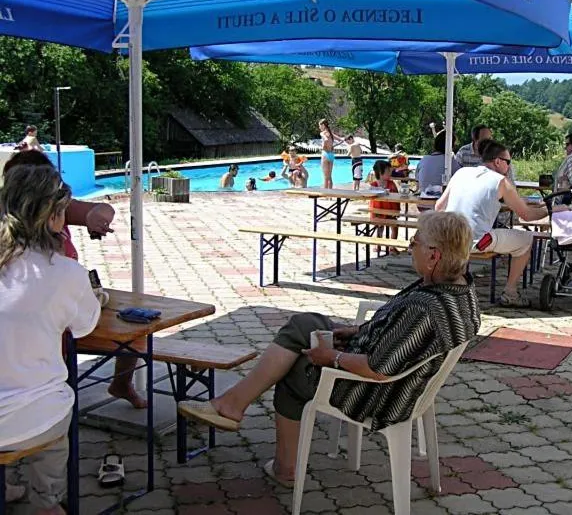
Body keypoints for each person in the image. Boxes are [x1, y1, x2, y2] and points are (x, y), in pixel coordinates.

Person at [177, 211, 481, 487]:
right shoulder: (458, 289)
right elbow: (399, 338)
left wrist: (331, 357)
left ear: (433, 256)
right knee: (303, 325)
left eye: (414, 242)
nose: (408, 247)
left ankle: (282, 465)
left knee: (294, 372)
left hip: (375, 395)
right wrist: (358, 332)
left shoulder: (426, 308)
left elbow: (378, 369)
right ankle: (232, 404)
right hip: (401, 380)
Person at [2, 151, 145, 409]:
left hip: (56, 320)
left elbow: (98, 209)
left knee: (133, 335)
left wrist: (94, 217)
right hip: (37, 399)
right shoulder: (60, 270)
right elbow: (82, 324)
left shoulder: (55, 223)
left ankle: (121, 384)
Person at [0, 165, 101, 515]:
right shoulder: (66, 272)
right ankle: (46, 502)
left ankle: (9, 488)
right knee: (54, 407)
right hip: (34, 419)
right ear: (56, 216)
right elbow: (85, 326)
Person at [435, 140, 552, 307]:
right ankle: (510, 292)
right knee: (526, 239)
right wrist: (550, 210)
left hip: (448, 237)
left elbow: (439, 206)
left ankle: (450, 286)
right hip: (476, 241)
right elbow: (526, 215)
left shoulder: (461, 173)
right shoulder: (501, 182)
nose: (509, 167)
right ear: (497, 161)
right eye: (508, 162)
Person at [415, 130, 460, 198]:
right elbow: (460, 182)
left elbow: (418, 185)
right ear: (451, 146)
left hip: (422, 204)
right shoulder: (450, 161)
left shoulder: (423, 160)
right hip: (443, 205)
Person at [370, 160, 400, 252]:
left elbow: (397, 197)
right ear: (380, 173)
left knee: (395, 227)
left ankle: (392, 245)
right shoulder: (374, 185)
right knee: (379, 228)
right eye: (388, 171)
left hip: (390, 211)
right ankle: (378, 244)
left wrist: (397, 211)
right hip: (378, 211)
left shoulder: (391, 184)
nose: (390, 173)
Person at [319, 119, 343, 190]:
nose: (319, 127)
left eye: (320, 126)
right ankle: (330, 195)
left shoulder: (322, 133)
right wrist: (332, 146)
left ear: (323, 125)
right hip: (331, 154)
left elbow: (326, 139)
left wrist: (324, 146)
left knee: (325, 176)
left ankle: (325, 194)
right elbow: (341, 140)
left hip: (325, 154)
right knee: (329, 176)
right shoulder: (331, 133)